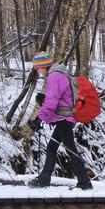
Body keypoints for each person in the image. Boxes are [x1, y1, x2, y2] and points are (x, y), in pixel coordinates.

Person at [26, 51, 93, 190]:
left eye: (38, 68)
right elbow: (59, 99)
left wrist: (38, 119)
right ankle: (45, 179)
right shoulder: (58, 74)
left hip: (65, 118)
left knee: (70, 149)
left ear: (43, 66)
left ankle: (84, 182)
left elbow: (52, 103)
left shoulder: (54, 76)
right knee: (52, 148)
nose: (38, 71)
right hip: (66, 117)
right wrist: (43, 100)